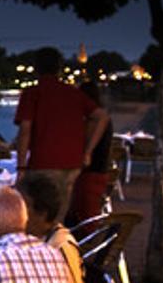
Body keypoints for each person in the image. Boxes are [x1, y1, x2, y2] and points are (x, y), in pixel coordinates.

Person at [14, 47, 110, 223]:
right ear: (59, 68)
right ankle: (57, 247)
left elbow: (25, 131)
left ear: (36, 68)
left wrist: (21, 168)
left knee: (34, 217)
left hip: (43, 164)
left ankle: (39, 248)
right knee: (58, 216)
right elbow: (101, 116)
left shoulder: (32, 93)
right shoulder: (73, 93)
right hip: (73, 165)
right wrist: (87, 150)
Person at [17, 173, 85, 283]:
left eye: (23, 206)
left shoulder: (61, 246)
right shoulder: (29, 237)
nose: (17, 211)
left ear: (42, 213)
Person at [67, 80, 114, 225]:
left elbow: (84, 145)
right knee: (85, 216)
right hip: (100, 171)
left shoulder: (95, 121)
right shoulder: (103, 120)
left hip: (90, 173)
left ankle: (83, 245)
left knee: (85, 218)